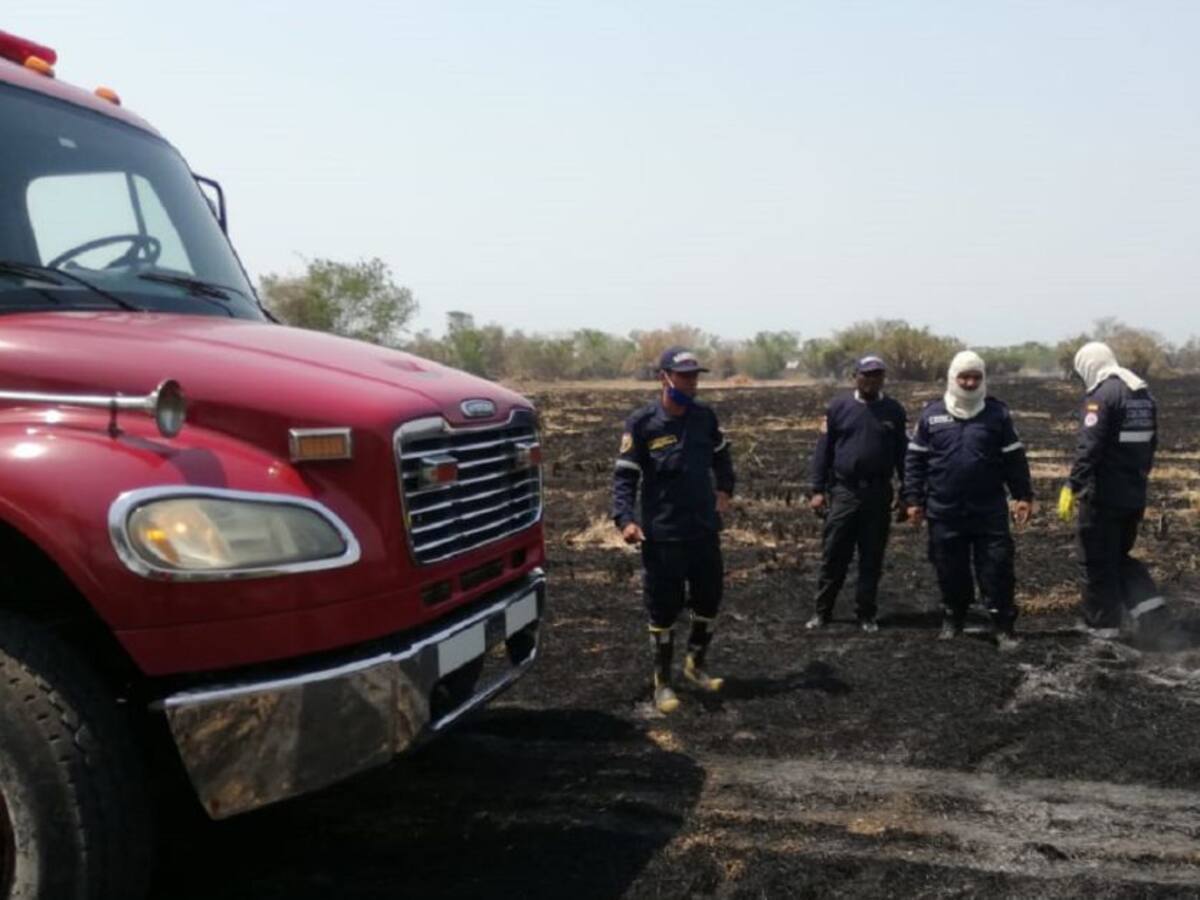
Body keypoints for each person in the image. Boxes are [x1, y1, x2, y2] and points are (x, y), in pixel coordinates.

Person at [612, 346, 735, 713]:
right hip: (663, 534)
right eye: (684, 375)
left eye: (695, 376)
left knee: (709, 598)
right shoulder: (642, 423)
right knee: (663, 609)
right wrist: (625, 519)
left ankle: (696, 664)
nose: (692, 382)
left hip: (703, 529)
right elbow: (624, 477)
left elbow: (722, 455)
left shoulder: (704, 417)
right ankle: (663, 682)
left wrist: (725, 488)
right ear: (663, 377)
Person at [904, 351, 1033, 649]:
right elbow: (915, 461)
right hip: (944, 509)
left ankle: (1002, 625)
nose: (970, 382)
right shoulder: (931, 415)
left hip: (988, 510)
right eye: (964, 376)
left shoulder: (997, 414)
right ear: (952, 378)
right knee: (949, 568)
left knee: (997, 567)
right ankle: (953, 618)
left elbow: (1014, 459)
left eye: (976, 377)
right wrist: (913, 500)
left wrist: (1022, 496)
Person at [1057, 341, 1164, 639]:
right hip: (1133, 493)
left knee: (1095, 559)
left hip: (1103, 496)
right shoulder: (1142, 393)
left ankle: (1102, 627)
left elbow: (1090, 446)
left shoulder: (1103, 395)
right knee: (1118, 555)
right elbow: (1151, 444)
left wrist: (1072, 485)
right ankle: (1152, 613)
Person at [806, 354, 907, 632]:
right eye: (867, 374)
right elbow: (823, 451)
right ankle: (822, 612)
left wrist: (907, 493)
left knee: (871, 558)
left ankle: (866, 614)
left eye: (877, 375)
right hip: (845, 492)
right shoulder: (838, 407)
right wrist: (817, 490)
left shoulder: (894, 411)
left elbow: (903, 456)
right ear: (856, 376)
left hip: (878, 493)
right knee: (834, 554)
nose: (872, 380)